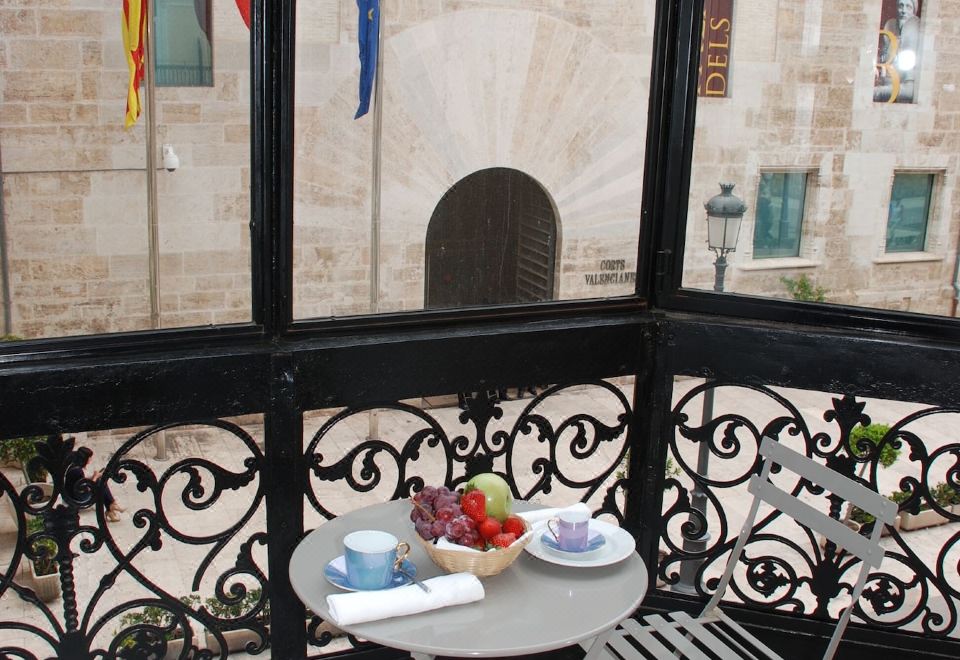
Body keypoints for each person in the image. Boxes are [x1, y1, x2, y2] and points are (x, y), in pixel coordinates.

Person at [874, 0, 921, 103]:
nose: (903, 10)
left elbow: (909, 91)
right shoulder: (891, 31)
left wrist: (878, 91)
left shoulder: (913, 37)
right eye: (901, 6)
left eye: (908, 7)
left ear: (914, 11)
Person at [65, 447, 124, 522]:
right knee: (100, 484)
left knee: (100, 481)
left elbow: (82, 481)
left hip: (74, 493)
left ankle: (111, 507)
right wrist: (95, 477)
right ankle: (111, 507)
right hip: (77, 497)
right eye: (90, 457)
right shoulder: (78, 471)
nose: (91, 459)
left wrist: (94, 477)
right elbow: (87, 488)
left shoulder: (74, 467)